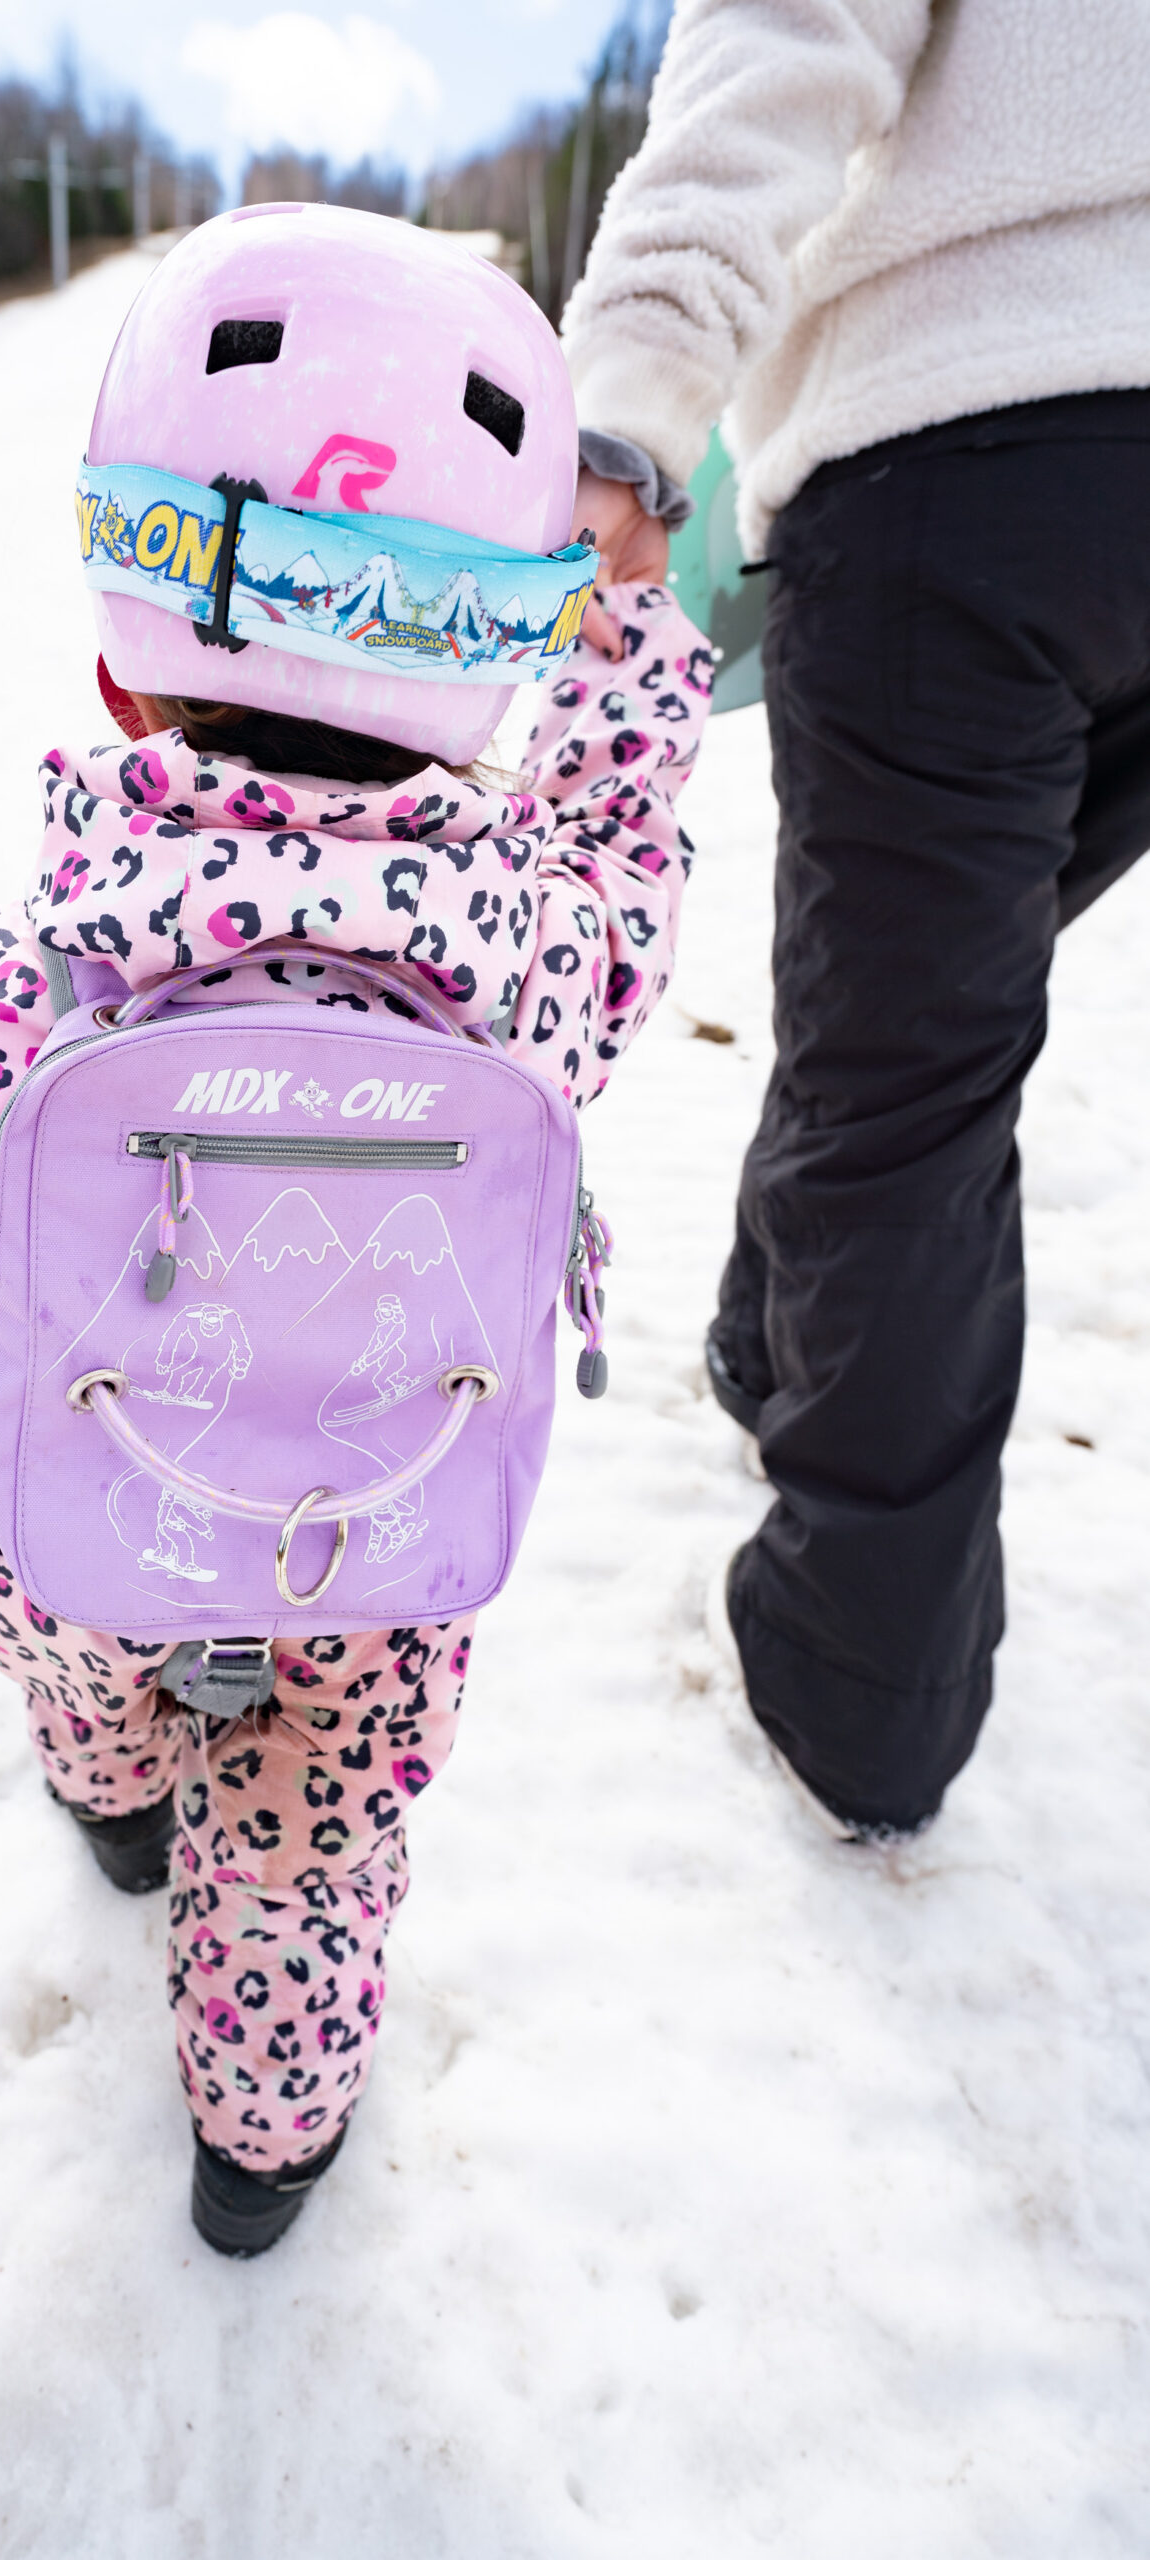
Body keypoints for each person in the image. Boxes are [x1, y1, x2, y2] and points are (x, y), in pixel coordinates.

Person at [0, 206, 712, 2256]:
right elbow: (615, 840)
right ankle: (261, 2137)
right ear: (484, 668)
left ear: (119, 661)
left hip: (87, 1529)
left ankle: (113, 1786)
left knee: (83, 1659)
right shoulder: (524, 958)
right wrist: (618, 626)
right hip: (386, 1537)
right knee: (316, 1833)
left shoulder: (36, 966)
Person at [559, 0, 1150, 1839]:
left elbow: (794, 37)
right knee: (921, 1016)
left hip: (963, 461)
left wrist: (635, 395)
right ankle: (765, 1336)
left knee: (909, 1085)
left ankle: (861, 1694)